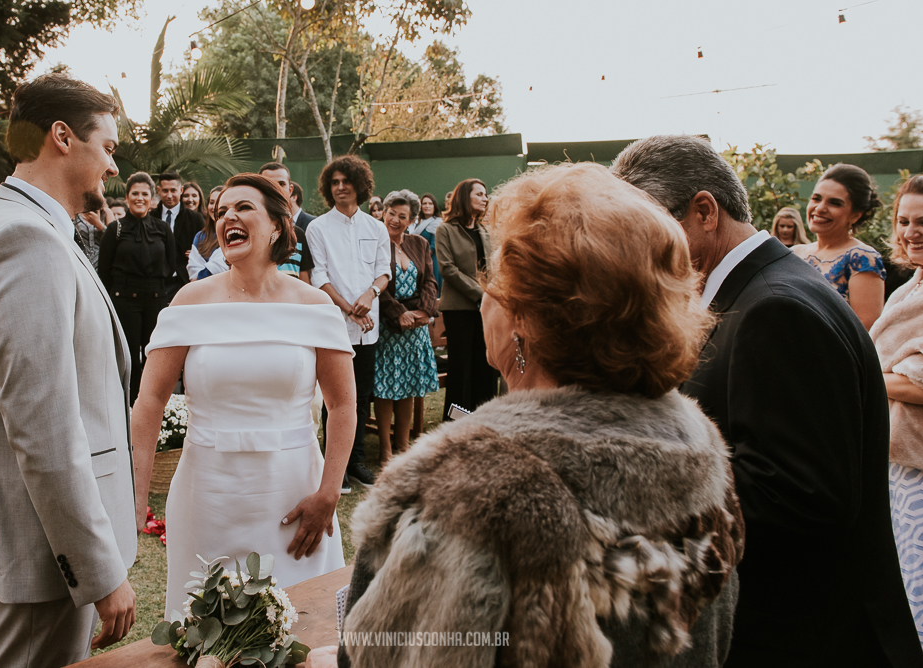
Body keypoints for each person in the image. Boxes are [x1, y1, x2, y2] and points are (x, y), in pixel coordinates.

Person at [319, 163, 744, 668]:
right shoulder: (697, 448)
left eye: (494, 278)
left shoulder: (460, 484)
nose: (486, 295)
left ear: (524, 320)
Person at [611, 134, 922, 667]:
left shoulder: (776, 309)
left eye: (646, 231)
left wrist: (640, 479)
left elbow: (799, 496)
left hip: (808, 641)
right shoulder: (760, 291)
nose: (637, 253)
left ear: (704, 211)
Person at [0, 73, 137, 667]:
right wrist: (98, 570)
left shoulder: (26, 225)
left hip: (37, 538)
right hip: (37, 546)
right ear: (62, 136)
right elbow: (42, 426)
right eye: (107, 146)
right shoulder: (23, 238)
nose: (113, 166)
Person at [131, 173, 355, 616]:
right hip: (207, 494)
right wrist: (137, 496)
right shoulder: (191, 301)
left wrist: (328, 492)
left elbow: (343, 404)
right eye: (221, 212)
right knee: (205, 627)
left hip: (294, 493)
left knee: (301, 626)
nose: (227, 217)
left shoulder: (314, 306)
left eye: (243, 207)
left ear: (277, 225)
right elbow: (150, 401)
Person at [306, 155, 390, 489]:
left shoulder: (376, 228)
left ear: (360, 185)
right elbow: (320, 277)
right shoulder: (318, 228)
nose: (340, 187)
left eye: (346, 181)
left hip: (369, 328)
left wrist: (370, 295)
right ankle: (336, 466)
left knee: (362, 396)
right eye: (334, 183)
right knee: (335, 398)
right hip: (336, 326)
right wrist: (349, 308)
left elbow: (384, 272)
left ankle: (356, 461)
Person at [869, 174, 923, 646]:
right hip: (896, 460)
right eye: (904, 221)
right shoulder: (907, 289)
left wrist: (869, 376)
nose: (911, 232)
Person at [98, 172, 176, 405]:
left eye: (144, 194)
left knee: (155, 355)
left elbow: (171, 264)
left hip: (155, 300)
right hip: (125, 301)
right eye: (135, 193)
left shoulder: (163, 229)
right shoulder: (115, 229)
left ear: (152, 199)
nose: (140, 198)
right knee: (129, 357)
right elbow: (104, 271)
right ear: (127, 197)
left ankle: (154, 405)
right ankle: (129, 407)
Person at [374, 190, 439, 466]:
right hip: (388, 327)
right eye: (391, 213)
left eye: (403, 216)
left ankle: (403, 446)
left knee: (409, 386)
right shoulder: (376, 244)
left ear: (412, 220)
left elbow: (430, 281)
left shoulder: (419, 243)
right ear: (383, 213)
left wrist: (424, 311)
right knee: (386, 388)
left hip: (416, 328)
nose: (395, 220)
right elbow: (374, 284)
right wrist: (398, 313)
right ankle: (386, 448)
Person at [792, 164, 885, 329]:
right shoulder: (794, 253)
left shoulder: (861, 257)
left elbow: (865, 327)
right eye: (816, 198)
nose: (820, 208)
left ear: (855, 215)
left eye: (834, 203)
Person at [436, 178, 499, 418]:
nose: (485, 198)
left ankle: (484, 419)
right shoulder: (446, 230)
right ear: (464, 197)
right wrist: (481, 294)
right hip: (459, 310)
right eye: (479, 194)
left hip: (487, 309)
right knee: (461, 368)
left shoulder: (485, 231)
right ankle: (457, 422)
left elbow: (492, 268)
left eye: (485, 194)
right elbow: (448, 269)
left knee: (486, 365)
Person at [258, 162, 314, 283]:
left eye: (281, 184)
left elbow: (304, 285)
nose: (275, 188)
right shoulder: (248, 232)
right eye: (269, 183)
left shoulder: (298, 235)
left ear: (290, 190)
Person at [153, 171, 205, 303]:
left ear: (181, 190)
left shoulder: (195, 219)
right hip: (155, 281)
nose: (169, 195)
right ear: (158, 190)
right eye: (165, 191)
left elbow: (205, 247)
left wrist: (195, 253)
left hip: (184, 281)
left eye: (173, 190)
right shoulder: (151, 217)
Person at [187, 185, 228, 281]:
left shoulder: (235, 234)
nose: (214, 207)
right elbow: (193, 272)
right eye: (211, 202)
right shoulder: (200, 236)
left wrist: (204, 273)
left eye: (219, 202)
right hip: (201, 288)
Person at [409, 192, 443, 293]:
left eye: (430, 203)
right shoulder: (418, 223)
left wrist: (422, 259)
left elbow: (434, 245)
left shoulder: (437, 222)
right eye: (424, 203)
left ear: (434, 206)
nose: (427, 206)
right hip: (418, 260)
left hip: (431, 260)